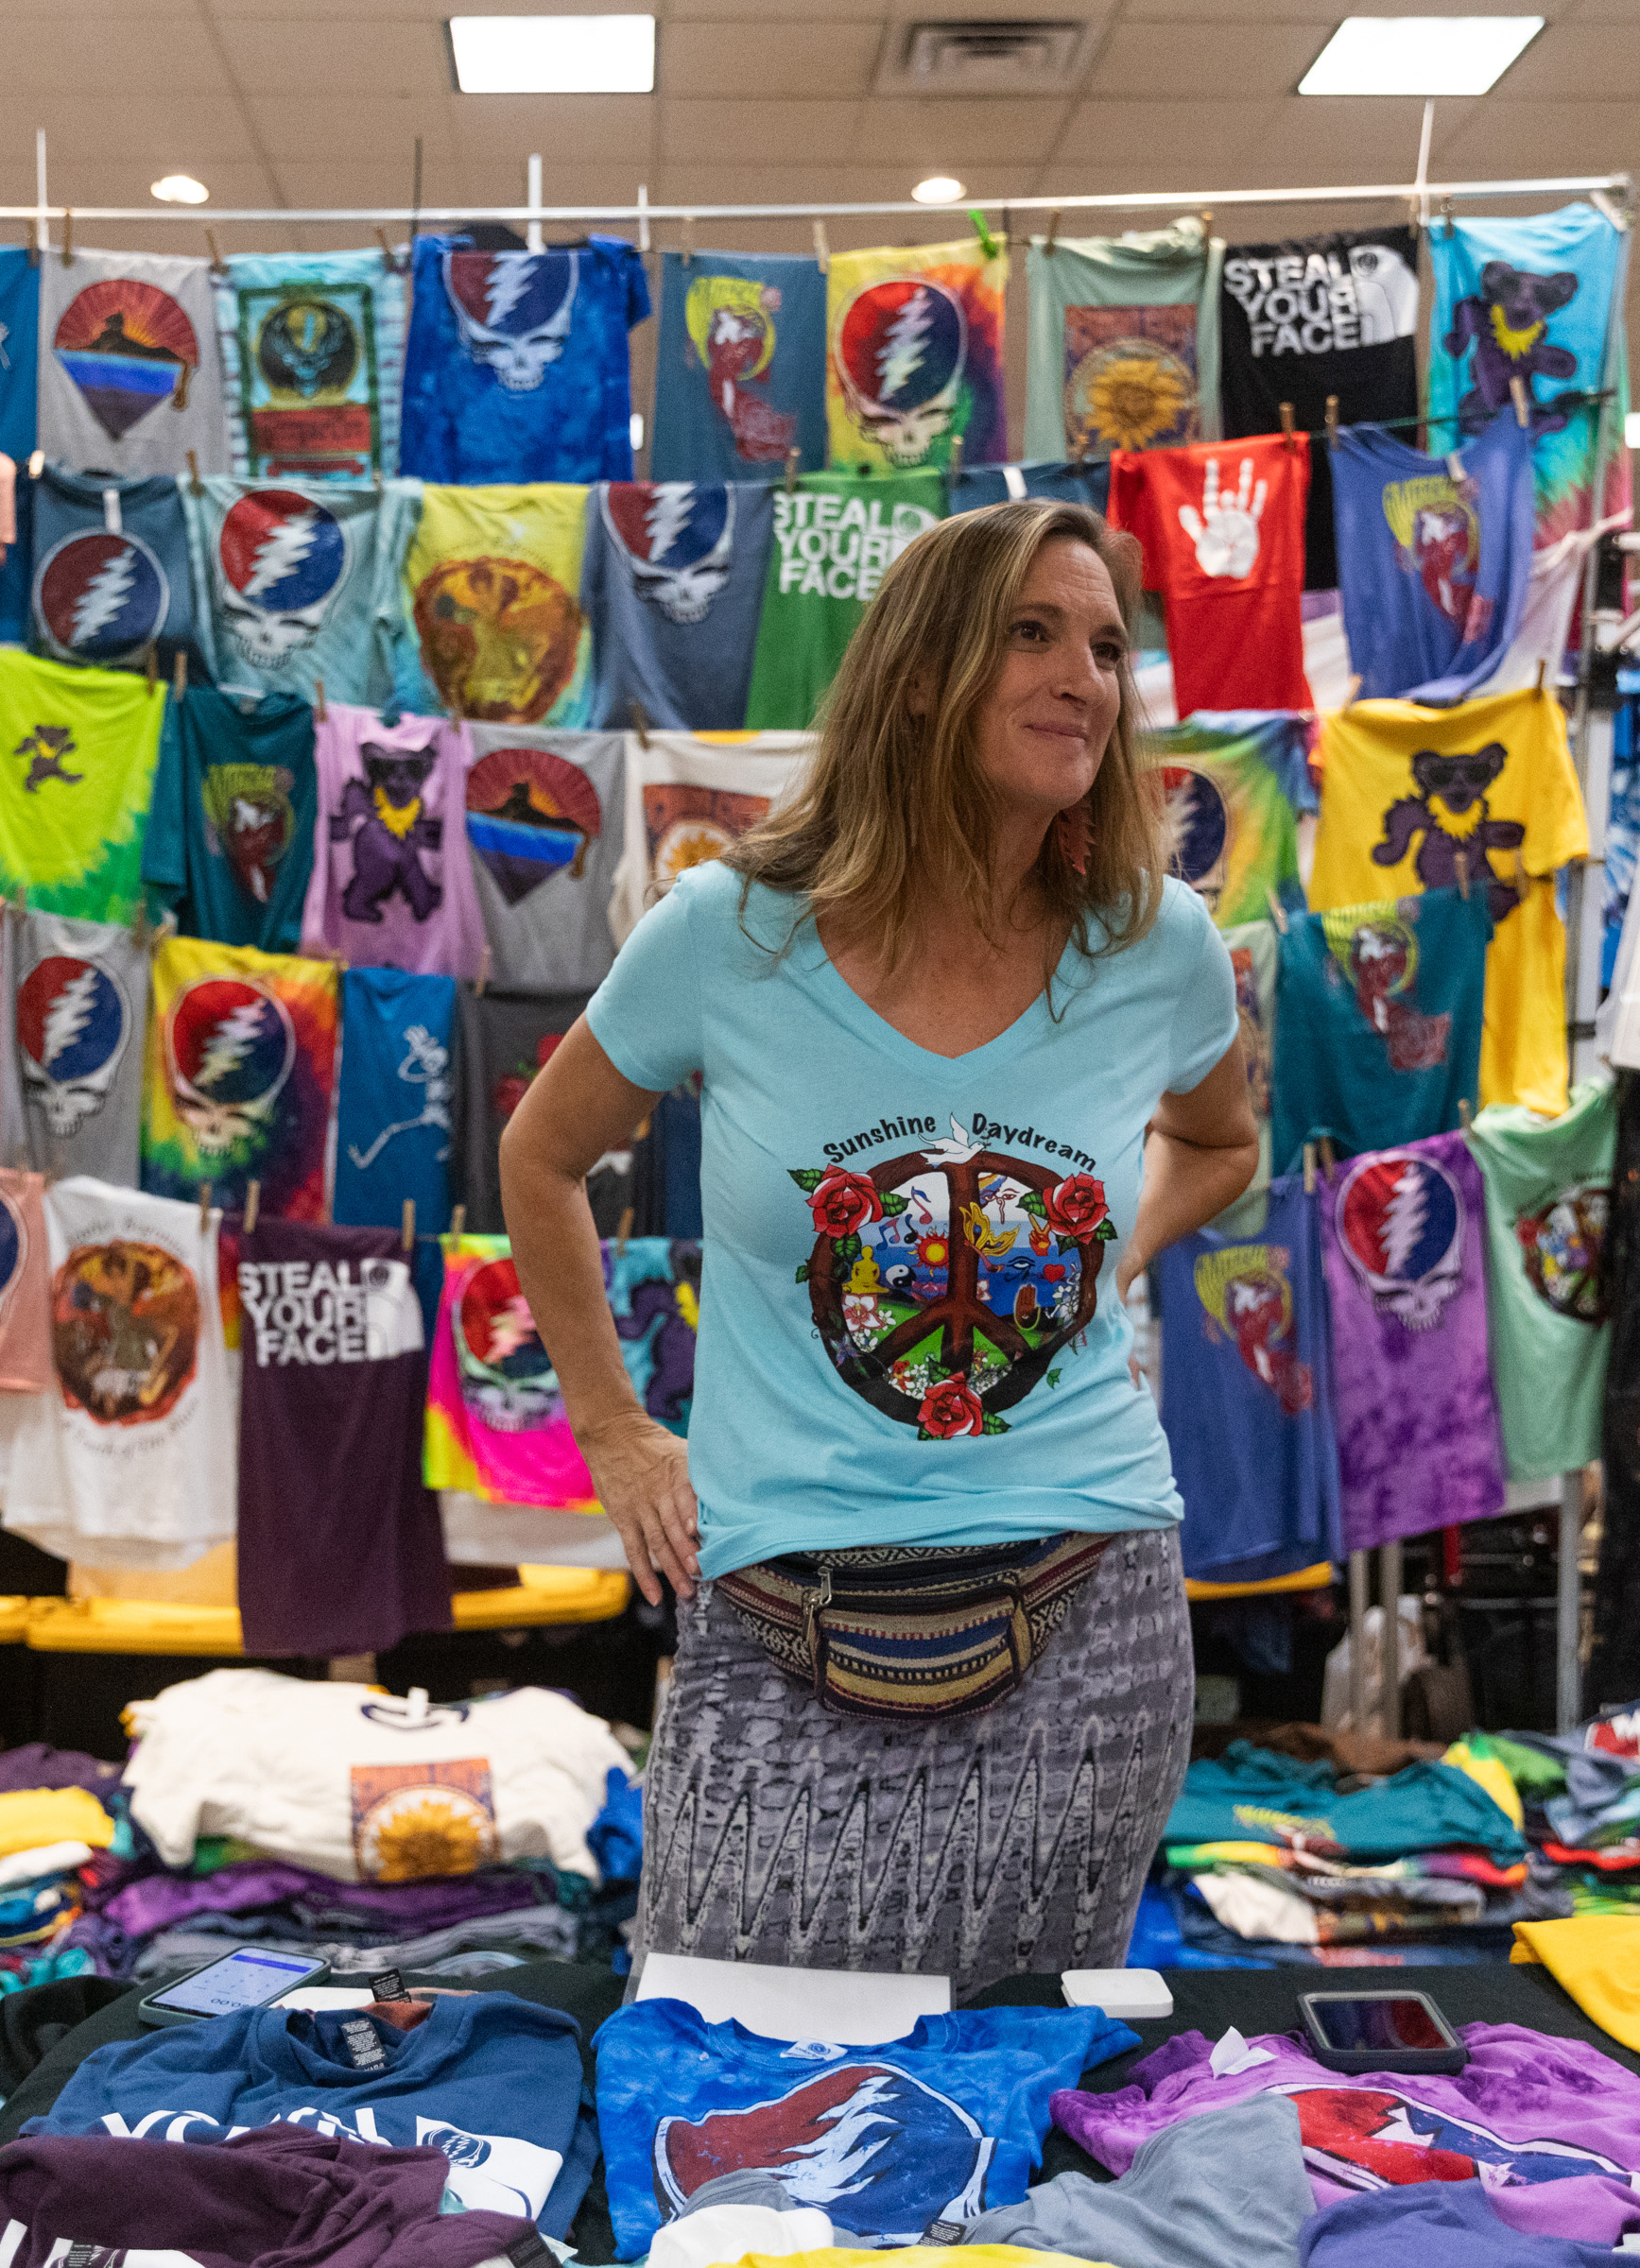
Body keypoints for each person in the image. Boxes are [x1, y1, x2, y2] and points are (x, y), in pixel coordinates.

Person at [500, 498, 1258, 1993]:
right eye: (1033, 634)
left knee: (1021, 2110)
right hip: (783, 1611)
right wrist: (613, 1428)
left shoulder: (1156, 942)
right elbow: (542, 1154)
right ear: (922, 674)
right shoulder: (732, 931)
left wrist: (1102, 1259)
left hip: (1090, 1608)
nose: (1084, 678)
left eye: (1106, 645)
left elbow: (1220, 1144)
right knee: (720, 2085)